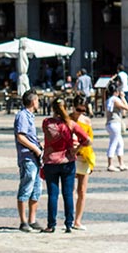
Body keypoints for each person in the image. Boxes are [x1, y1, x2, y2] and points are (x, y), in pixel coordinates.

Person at [41, 97, 91, 233]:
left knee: (52, 194)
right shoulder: (70, 124)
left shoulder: (46, 123)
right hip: (67, 161)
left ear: (52, 108)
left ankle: (51, 224)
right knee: (68, 194)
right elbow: (87, 140)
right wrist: (76, 149)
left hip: (50, 162)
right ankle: (69, 223)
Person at [13, 90, 43, 232]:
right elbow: (21, 137)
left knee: (36, 188)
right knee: (26, 186)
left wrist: (39, 145)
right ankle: (23, 221)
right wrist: (35, 149)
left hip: (35, 157)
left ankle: (32, 219)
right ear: (33, 101)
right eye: (37, 100)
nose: (38, 103)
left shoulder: (30, 116)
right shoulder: (22, 116)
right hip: (27, 157)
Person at [70, 93, 96, 231]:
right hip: (69, 156)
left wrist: (80, 147)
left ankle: (77, 220)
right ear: (73, 107)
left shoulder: (86, 121)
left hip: (83, 156)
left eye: (83, 110)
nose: (80, 113)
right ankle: (69, 218)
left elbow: (89, 140)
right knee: (69, 189)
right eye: (78, 110)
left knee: (82, 190)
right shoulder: (67, 119)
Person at [105, 80, 128, 172]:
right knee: (114, 143)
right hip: (115, 123)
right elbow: (126, 107)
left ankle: (121, 164)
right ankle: (110, 164)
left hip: (110, 123)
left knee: (120, 143)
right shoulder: (115, 100)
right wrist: (123, 97)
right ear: (116, 92)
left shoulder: (108, 100)